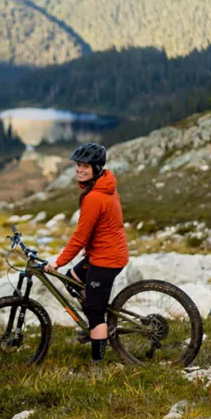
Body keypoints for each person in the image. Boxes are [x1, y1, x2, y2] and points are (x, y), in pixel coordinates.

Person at [44, 142, 129, 369]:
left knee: (95, 312)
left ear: (97, 168)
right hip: (102, 252)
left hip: (107, 260)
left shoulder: (94, 197)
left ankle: (97, 363)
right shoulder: (105, 186)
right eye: (78, 165)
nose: (79, 170)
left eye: (85, 166)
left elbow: (80, 236)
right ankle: (95, 315)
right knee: (73, 280)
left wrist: (58, 262)